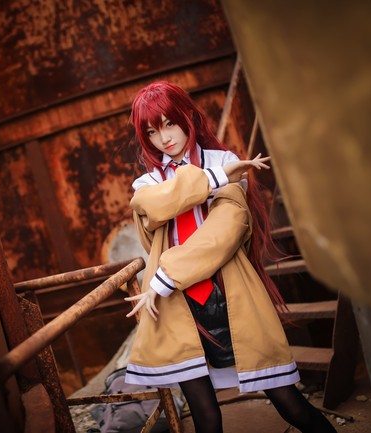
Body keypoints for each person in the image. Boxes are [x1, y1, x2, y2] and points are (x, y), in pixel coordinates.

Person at [123, 81, 336, 433]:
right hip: (179, 305)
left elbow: (225, 232)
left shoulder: (225, 160)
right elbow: (159, 207)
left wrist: (162, 278)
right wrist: (216, 179)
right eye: (152, 131)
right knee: (206, 418)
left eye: (169, 123)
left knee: (289, 402)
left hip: (227, 290)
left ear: (187, 116)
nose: (164, 138)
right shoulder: (147, 184)